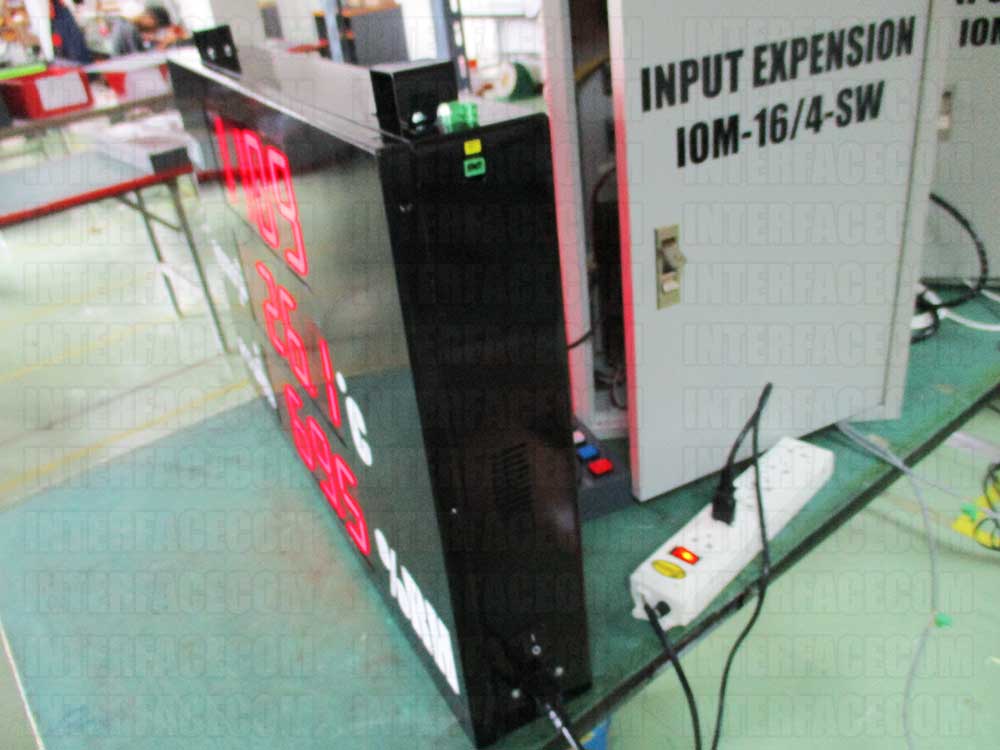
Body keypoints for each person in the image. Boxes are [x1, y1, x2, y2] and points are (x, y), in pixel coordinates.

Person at [109, 5, 182, 56]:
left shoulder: (122, 25)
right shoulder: (129, 29)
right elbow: (139, 58)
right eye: (155, 26)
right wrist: (165, 43)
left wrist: (158, 40)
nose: (153, 30)